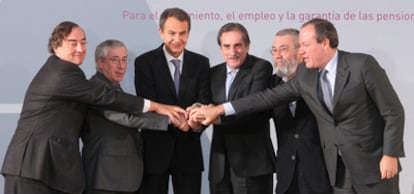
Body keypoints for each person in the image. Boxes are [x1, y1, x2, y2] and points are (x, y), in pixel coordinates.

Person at [191, 18, 404, 194]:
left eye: (304, 45)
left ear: (325, 42)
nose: (302, 52)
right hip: (335, 171)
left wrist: (390, 154)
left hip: (372, 165)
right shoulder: (305, 77)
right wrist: (219, 109)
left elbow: (393, 112)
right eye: (300, 46)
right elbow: (264, 99)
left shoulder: (362, 65)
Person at [1, 21, 186, 194]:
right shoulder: (64, 73)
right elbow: (107, 99)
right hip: (34, 166)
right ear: (57, 46)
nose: (80, 49)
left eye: (83, 42)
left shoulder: (64, 71)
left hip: (44, 168)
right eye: (73, 43)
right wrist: (159, 108)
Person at [81, 39, 190, 194]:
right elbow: (127, 117)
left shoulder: (112, 87)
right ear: (100, 63)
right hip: (106, 178)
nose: (121, 66)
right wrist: (170, 119)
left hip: (119, 177)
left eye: (124, 59)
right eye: (115, 60)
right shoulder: (97, 88)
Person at [134, 8, 210, 194]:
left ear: (188, 33)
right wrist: (176, 120)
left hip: (189, 151)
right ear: (161, 32)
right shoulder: (144, 63)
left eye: (182, 33)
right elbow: (147, 104)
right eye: (172, 33)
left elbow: (205, 99)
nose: (177, 39)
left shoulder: (200, 63)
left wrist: (196, 120)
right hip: (154, 151)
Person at [206, 22, 276, 194]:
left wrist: (216, 115)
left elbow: (253, 109)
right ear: (221, 48)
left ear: (247, 46)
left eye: (238, 45)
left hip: (252, 164)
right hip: (220, 165)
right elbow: (205, 104)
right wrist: (197, 112)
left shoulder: (261, 68)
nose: (232, 52)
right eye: (227, 46)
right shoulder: (213, 73)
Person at [270, 28, 331, 194]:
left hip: (320, 174)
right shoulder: (271, 84)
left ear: (300, 51)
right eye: (274, 50)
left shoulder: (321, 79)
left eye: (283, 49)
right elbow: (251, 108)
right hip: (286, 177)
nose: (278, 56)